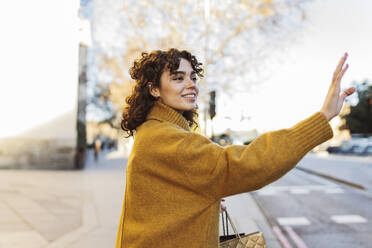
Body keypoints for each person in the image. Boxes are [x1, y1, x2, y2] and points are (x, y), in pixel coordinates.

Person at [115, 48, 355, 248]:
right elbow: (248, 163)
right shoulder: (170, 140)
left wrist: (197, 199)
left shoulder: (153, 131)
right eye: (178, 78)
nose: (192, 85)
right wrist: (323, 116)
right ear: (154, 89)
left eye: (193, 78)